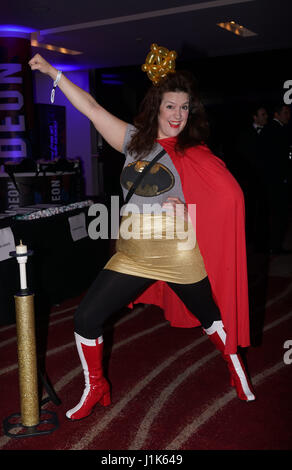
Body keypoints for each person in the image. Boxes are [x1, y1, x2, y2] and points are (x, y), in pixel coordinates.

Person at [29, 50, 256, 421]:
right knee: (86, 318)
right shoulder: (133, 140)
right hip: (132, 252)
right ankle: (96, 385)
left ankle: (235, 367)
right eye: (171, 106)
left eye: (185, 108)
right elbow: (90, 107)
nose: (178, 116)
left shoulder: (193, 153)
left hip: (177, 252)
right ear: (156, 107)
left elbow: (226, 198)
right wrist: (54, 74)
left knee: (211, 317)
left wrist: (191, 212)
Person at [235, 105, 268, 249]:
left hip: (265, 180)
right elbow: (242, 158)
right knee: (249, 211)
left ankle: (261, 240)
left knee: (263, 210)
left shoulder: (269, 132)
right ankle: (248, 240)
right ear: (255, 117)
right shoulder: (245, 134)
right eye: (262, 114)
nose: (265, 117)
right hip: (249, 180)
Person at [260, 104, 291, 254]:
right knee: (278, 214)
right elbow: (277, 159)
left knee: (278, 214)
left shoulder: (277, 130)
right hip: (276, 181)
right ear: (277, 114)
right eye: (285, 112)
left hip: (275, 180)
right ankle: (275, 246)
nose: (288, 115)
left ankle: (275, 245)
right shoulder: (275, 130)